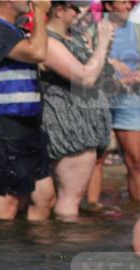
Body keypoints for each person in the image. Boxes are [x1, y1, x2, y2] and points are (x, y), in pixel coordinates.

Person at [0, 0, 55, 221]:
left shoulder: (14, 31)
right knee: (8, 205)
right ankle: (4, 253)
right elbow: (38, 52)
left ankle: (34, 253)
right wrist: (39, 11)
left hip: (28, 125)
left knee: (44, 197)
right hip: (3, 126)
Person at [40, 1, 113, 219]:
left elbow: (99, 71)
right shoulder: (48, 41)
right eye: (75, 8)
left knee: (63, 196)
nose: (80, 13)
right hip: (69, 127)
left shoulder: (78, 35)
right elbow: (85, 77)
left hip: (85, 123)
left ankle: (57, 243)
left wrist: (102, 50)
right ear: (59, 10)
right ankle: (67, 249)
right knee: (71, 196)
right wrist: (103, 43)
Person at [105, 0, 140, 202]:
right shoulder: (93, 28)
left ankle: (136, 214)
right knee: (97, 159)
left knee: (135, 161)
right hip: (99, 98)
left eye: (131, 2)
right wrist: (110, 62)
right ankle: (93, 207)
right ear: (109, 6)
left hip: (130, 100)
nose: (129, 5)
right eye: (124, 2)